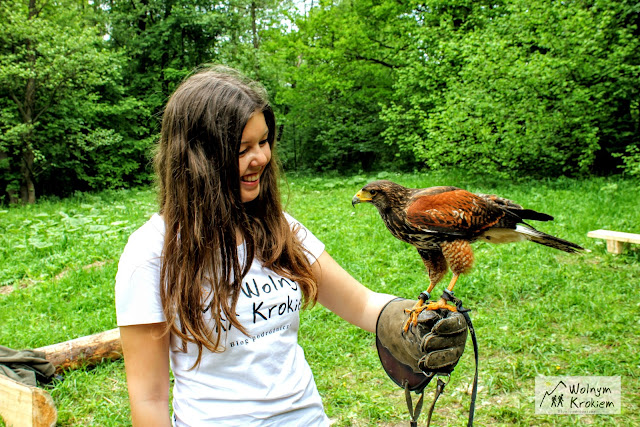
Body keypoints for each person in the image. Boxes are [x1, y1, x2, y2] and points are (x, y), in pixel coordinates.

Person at [115, 66, 467, 426]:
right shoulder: (151, 253)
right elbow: (149, 397)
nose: (262, 158)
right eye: (242, 149)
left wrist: (409, 320)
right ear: (198, 158)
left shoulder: (278, 228)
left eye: (264, 142)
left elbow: (360, 302)